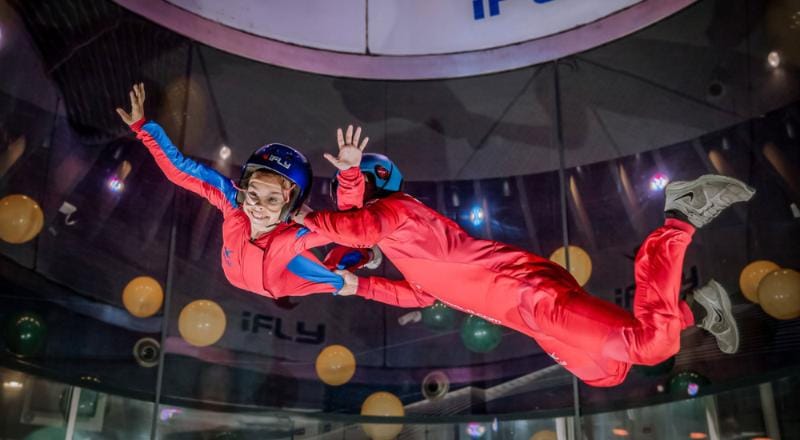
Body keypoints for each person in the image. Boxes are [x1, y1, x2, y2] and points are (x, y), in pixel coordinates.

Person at [295, 125, 755, 387]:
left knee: (653, 347)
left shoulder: (398, 215)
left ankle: (680, 215)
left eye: (349, 194)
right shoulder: (407, 252)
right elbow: (415, 295)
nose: (343, 202)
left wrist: (301, 219)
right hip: (531, 317)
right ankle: (697, 308)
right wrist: (354, 284)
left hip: (534, 296)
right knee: (606, 373)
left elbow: (354, 227)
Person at [114, 84, 415, 303]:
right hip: (242, 274)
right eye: (254, 194)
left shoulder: (293, 236)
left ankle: (365, 257)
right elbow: (182, 170)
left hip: (286, 281)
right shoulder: (234, 204)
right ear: (244, 188)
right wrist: (143, 127)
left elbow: (350, 228)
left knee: (340, 275)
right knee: (338, 260)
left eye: (272, 200)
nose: (257, 207)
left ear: (290, 203)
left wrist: (351, 178)